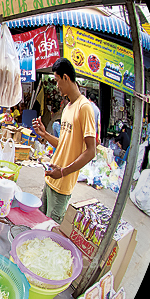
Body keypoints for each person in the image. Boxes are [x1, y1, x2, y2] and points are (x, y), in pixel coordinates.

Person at [31, 58, 96, 223]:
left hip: (63, 184)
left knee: (52, 231)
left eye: (58, 80)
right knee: (41, 223)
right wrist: (45, 135)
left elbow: (91, 151)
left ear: (66, 78)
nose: (57, 85)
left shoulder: (84, 108)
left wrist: (63, 172)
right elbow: (64, 145)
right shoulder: (67, 108)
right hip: (51, 178)